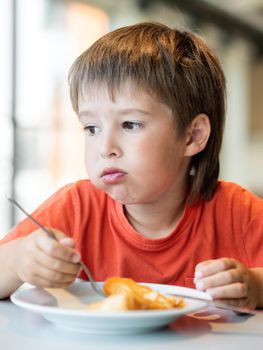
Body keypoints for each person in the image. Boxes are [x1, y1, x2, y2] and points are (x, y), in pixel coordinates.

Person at [0, 22, 262, 310]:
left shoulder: (239, 214)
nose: (105, 148)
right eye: (91, 128)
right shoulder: (76, 207)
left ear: (192, 135)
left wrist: (255, 285)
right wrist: (18, 261)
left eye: (130, 124)